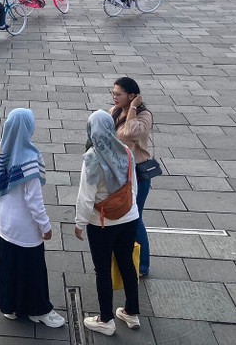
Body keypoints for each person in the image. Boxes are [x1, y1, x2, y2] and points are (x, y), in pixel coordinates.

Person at [0, 108, 66, 328]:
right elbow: (34, 201)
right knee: (32, 269)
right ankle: (39, 310)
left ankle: (10, 306)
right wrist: (46, 226)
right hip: (26, 228)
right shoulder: (30, 158)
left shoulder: (2, 153)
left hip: (6, 224)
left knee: (10, 265)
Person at [75, 110, 141, 337]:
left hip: (102, 223)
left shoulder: (92, 158)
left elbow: (86, 197)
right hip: (129, 217)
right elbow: (132, 184)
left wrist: (79, 223)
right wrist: (132, 211)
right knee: (126, 263)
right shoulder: (125, 151)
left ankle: (106, 319)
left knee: (102, 269)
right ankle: (131, 312)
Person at [108, 77, 153, 278]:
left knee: (135, 218)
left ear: (132, 96)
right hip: (119, 172)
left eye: (119, 94)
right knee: (121, 216)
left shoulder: (143, 115)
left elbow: (133, 133)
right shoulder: (114, 111)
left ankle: (142, 265)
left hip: (137, 173)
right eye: (113, 93)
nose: (115, 97)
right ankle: (124, 257)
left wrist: (133, 109)